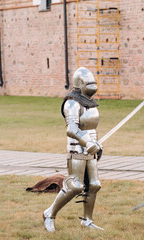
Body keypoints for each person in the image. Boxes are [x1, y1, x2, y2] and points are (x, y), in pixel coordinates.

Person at [43, 67, 104, 232]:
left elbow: (91, 128)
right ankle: (49, 213)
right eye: (88, 83)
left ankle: (87, 220)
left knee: (94, 185)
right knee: (75, 186)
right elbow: (71, 129)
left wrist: (97, 143)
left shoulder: (90, 102)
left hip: (90, 146)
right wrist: (87, 142)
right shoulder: (72, 102)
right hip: (76, 147)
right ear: (80, 83)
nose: (92, 86)